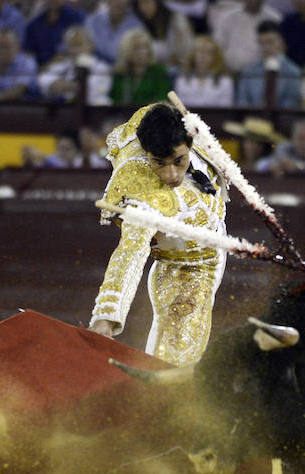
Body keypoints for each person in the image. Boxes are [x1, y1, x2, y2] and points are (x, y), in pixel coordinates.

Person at [89, 102, 229, 368]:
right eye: (159, 163)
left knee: (171, 358)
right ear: (146, 152)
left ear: (189, 142)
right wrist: (106, 315)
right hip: (188, 266)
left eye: (178, 161)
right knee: (173, 362)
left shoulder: (163, 122)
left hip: (204, 239)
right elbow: (131, 251)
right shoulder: (140, 192)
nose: (171, 174)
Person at [35, 25, 111, 105]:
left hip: (93, 110)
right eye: (71, 46)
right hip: (66, 110)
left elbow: (91, 91)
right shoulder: (64, 64)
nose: (75, 50)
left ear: (90, 46)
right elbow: (43, 79)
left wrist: (66, 86)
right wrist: (57, 85)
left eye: (78, 45)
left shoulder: (102, 68)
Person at [235, 19, 301, 109]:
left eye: (270, 42)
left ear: (282, 42)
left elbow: (291, 106)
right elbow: (242, 104)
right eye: (262, 43)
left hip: (282, 120)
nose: (266, 47)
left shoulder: (293, 73)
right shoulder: (249, 73)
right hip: (252, 121)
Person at [210, 0, 281, 74]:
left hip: (262, 75)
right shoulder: (228, 17)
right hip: (232, 73)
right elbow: (217, 46)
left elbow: (280, 50)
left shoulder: (274, 18)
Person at [108, 28, 172, 105]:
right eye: (137, 48)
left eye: (145, 47)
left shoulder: (159, 72)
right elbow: (114, 100)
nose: (143, 52)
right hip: (123, 115)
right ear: (127, 50)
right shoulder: (121, 73)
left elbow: (162, 100)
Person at [172, 34, 234, 108]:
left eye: (208, 52)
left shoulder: (225, 82)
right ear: (193, 55)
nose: (203, 56)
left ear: (216, 57)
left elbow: (225, 111)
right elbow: (179, 110)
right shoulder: (182, 81)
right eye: (200, 51)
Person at [132, 0, 192, 70]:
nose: (142, 8)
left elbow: (187, 54)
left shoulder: (177, 20)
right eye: (139, 4)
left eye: (146, 2)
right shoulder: (140, 23)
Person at [23, 0, 84, 67]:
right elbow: (28, 52)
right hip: (39, 69)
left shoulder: (77, 17)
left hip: (69, 65)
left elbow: (80, 45)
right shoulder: (34, 24)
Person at [83, 0, 144, 64]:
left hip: (124, 70)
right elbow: (85, 50)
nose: (118, 2)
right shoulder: (92, 21)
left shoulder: (137, 25)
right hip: (94, 68)